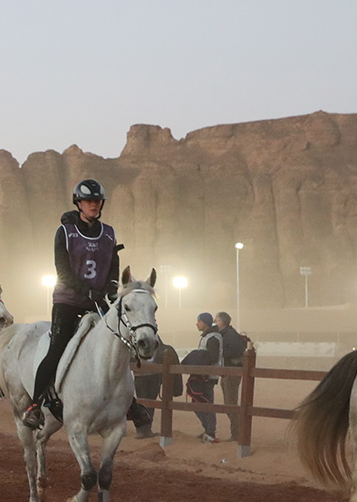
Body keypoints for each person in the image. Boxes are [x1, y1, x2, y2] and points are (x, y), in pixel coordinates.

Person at [21, 180, 153, 434]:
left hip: (99, 300)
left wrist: (111, 287)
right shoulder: (65, 232)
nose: (94, 205)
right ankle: (35, 405)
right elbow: (62, 271)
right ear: (79, 204)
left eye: (97, 201)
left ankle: (131, 405)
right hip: (68, 301)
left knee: (118, 345)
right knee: (57, 348)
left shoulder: (109, 233)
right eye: (88, 201)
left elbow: (113, 265)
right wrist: (86, 290)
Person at [182, 312, 222, 442]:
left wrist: (197, 359)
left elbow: (213, 357)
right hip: (204, 375)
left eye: (199, 321)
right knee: (199, 403)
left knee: (206, 403)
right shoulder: (208, 336)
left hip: (208, 376)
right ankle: (208, 430)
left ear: (204, 322)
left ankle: (210, 432)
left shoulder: (212, 337)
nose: (197, 324)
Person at [133, 339, 181, 434]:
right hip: (145, 377)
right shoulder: (139, 343)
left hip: (149, 377)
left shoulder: (147, 343)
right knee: (145, 403)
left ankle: (145, 429)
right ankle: (142, 430)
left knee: (148, 403)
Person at [215, 311, 248, 441]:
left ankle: (238, 433)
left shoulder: (230, 335)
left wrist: (220, 352)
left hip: (232, 373)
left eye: (216, 321)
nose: (215, 323)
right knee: (229, 404)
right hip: (227, 372)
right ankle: (237, 432)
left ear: (222, 322)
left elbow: (234, 351)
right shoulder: (227, 334)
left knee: (231, 404)